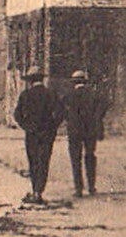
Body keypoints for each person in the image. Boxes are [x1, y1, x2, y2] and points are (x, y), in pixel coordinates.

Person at [14, 69, 65, 204]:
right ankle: (38, 191)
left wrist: (26, 126)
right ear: (41, 79)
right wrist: (53, 126)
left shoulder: (25, 95)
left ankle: (35, 190)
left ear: (30, 81)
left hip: (32, 133)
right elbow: (61, 112)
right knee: (44, 161)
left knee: (33, 161)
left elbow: (17, 115)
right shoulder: (50, 94)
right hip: (47, 132)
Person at [65, 69, 107, 198]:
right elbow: (104, 106)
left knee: (75, 158)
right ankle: (91, 186)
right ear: (85, 82)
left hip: (74, 131)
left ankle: (78, 188)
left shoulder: (68, 96)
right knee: (90, 156)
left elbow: (64, 112)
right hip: (90, 130)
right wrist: (97, 119)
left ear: (74, 83)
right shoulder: (94, 94)